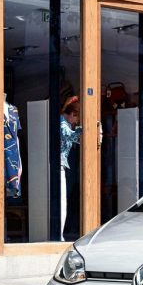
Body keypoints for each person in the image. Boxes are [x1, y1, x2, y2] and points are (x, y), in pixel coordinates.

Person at [60, 97, 81, 235]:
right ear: (73, 114)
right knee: (62, 199)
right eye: (77, 119)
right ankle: (60, 233)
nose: (76, 123)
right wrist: (85, 129)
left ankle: (62, 232)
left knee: (65, 198)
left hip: (62, 164)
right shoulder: (62, 124)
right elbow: (68, 136)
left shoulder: (65, 123)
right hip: (58, 165)